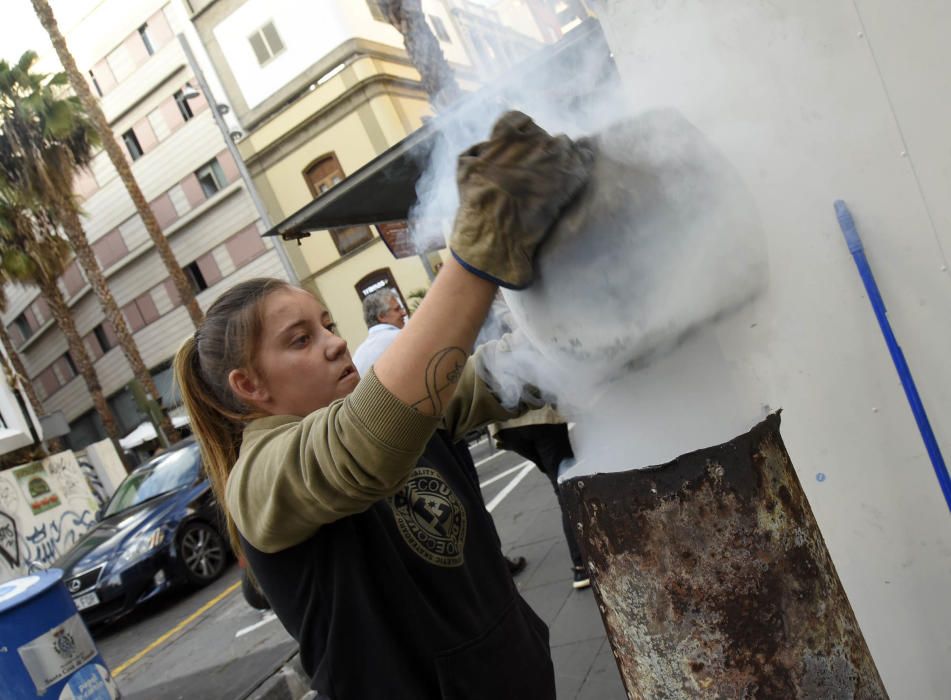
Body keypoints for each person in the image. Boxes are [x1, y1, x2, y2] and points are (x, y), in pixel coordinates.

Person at [173, 111, 593, 699]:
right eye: (301, 340)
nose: (335, 342)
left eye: (325, 324)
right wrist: (475, 257)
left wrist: (601, 318)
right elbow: (361, 445)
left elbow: (497, 376)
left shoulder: (385, 400)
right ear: (250, 387)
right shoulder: (258, 480)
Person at [493, 409, 589, 588]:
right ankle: (582, 565)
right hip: (538, 416)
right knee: (566, 488)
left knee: (560, 483)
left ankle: (583, 560)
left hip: (506, 425)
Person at [351, 288, 407, 376]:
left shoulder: (358, 356)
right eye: (397, 309)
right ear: (382, 316)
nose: (404, 313)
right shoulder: (400, 338)